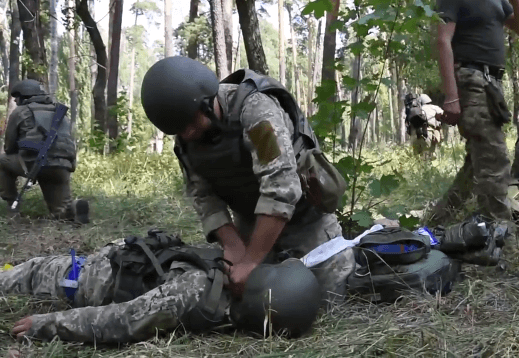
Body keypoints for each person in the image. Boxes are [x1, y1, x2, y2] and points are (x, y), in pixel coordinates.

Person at [140, 56, 354, 304]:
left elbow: (282, 186)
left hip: (306, 222)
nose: (186, 133)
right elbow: (203, 196)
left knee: (325, 302)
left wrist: (252, 260)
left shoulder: (255, 111)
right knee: (247, 304)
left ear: (206, 102)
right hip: (251, 225)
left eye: (190, 123)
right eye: (179, 129)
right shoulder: (186, 135)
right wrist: (234, 247)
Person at [2, 231, 322, 344]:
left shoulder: (192, 293)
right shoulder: (236, 312)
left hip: (93, 279)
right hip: (129, 262)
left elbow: (121, 321)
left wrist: (45, 324)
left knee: (33, 270)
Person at [428, 0, 519, 225]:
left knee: (477, 163)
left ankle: (438, 223)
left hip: (492, 84)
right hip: (470, 79)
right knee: (494, 159)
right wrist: (451, 96)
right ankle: (499, 233)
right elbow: (443, 41)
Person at [0, 79, 89, 223]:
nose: (15, 100)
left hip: (34, 164)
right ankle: (73, 208)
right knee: (60, 212)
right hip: (62, 166)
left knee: (2, 161)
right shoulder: (60, 112)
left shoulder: (21, 112)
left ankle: (13, 208)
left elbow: (9, 147)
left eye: (17, 97)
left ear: (25, 96)